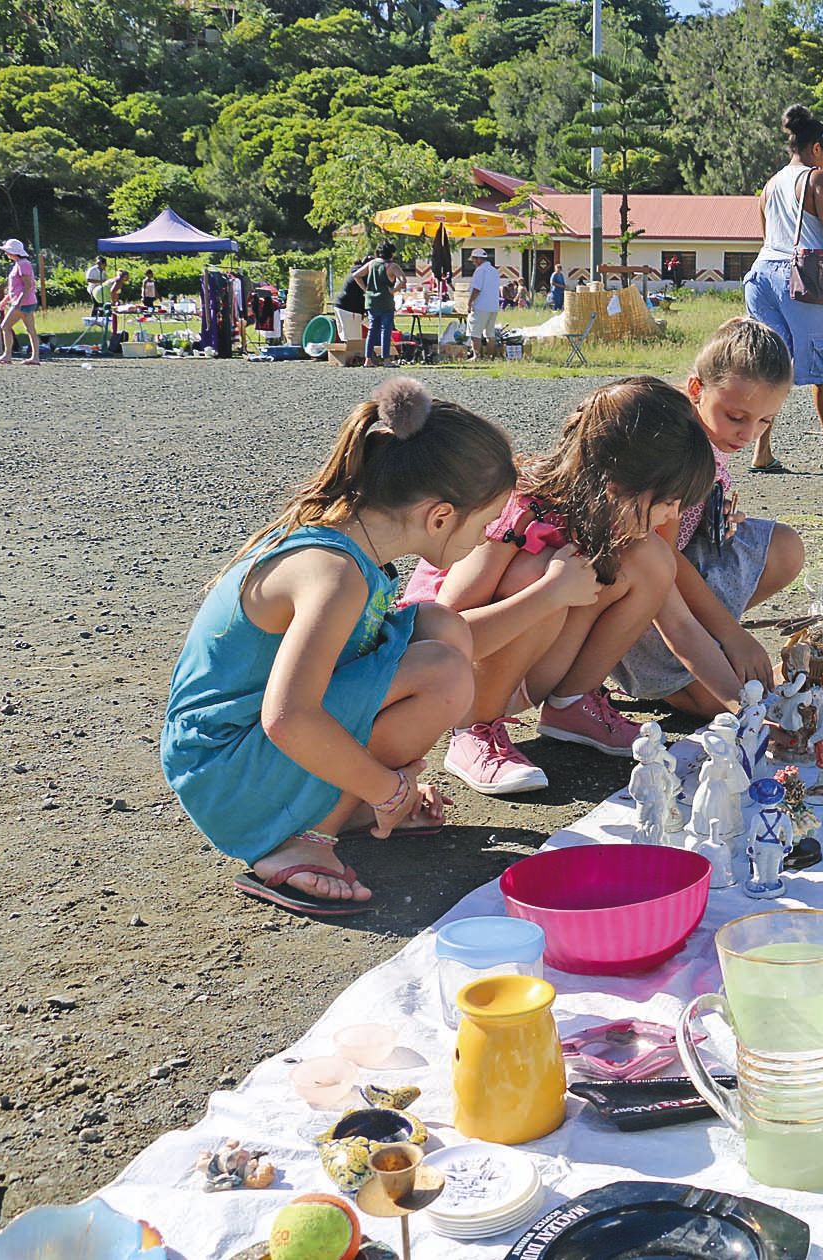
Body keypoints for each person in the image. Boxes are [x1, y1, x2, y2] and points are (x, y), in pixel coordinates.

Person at [161, 377, 516, 914]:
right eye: (487, 523)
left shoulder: (352, 548)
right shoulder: (335, 575)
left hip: (252, 748)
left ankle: (340, 805)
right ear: (440, 516)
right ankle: (303, 837)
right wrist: (388, 789)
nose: (488, 538)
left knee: (443, 628)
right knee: (442, 672)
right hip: (226, 771)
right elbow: (288, 717)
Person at [404, 378, 720, 796]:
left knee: (651, 560)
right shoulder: (515, 512)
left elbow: (680, 625)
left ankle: (572, 706)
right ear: (615, 485)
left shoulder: (609, 518)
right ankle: (474, 732)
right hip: (445, 681)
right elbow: (439, 636)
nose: (672, 514)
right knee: (540, 572)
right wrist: (548, 594)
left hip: (531, 666)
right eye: (668, 500)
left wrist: (745, 705)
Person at [615, 319, 808, 718]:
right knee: (720, 701)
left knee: (784, 547)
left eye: (764, 421)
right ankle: (666, 673)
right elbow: (661, 560)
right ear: (696, 389)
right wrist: (730, 634)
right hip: (641, 590)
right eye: (736, 417)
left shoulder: (706, 436)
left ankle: (697, 653)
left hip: (674, 569)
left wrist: (710, 518)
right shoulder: (676, 453)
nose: (748, 434)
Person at [744, 103, 823, 471]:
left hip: (760, 275)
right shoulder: (818, 180)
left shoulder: (770, 186)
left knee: (771, 365)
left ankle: (761, 451)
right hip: (797, 278)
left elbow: (768, 237)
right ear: (816, 148)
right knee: (820, 359)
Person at [0, 239, 42, 366]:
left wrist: (18, 303)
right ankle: (35, 357)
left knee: (5, 326)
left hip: (23, 303)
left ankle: (7, 355)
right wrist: (5, 301)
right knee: (31, 329)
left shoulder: (23, 264)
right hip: (27, 301)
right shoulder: (20, 263)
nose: (6, 254)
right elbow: (16, 288)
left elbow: (28, 285)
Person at [360, 240, 405, 368]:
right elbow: (403, 280)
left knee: (372, 330)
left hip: (371, 302)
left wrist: (366, 289)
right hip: (386, 302)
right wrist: (393, 290)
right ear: (391, 253)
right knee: (386, 330)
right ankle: (386, 359)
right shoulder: (392, 266)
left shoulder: (372, 264)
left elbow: (356, 275)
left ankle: (368, 359)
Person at [466, 247, 500, 361]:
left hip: (481, 306)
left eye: (474, 259)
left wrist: (469, 303)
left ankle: (476, 356)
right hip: (493, 306)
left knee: (475, 332)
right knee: (490, 333)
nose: (474, 262)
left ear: (479, 259)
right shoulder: (494, 270)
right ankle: (490, 357)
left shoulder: (480, 270)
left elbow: (477, 289)